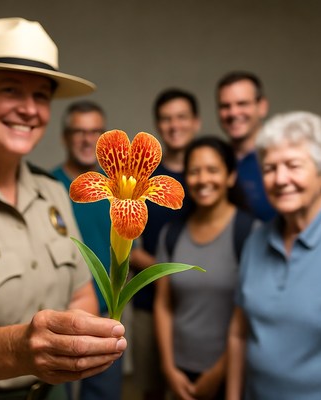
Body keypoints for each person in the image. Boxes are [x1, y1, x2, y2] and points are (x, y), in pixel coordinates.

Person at [0, 17, 127, 400]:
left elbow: (82, 294)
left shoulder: (54, 192)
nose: (29, 110)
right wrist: (21, 349)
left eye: (41, 96)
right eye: (10, 90)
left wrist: (80, 342)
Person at [227, 111, 321, 399]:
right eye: (269, 168)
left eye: (293, 166)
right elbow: (238, 332)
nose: (280, 179)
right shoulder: (256, 240)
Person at [154, 136, 256, 400]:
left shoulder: (250, 233)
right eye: (194, 171)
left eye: (213, 170)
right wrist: (168, 367)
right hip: (179, 369)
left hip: (232, 373)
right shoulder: (171, 234)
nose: (202, 179)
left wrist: (218, 373)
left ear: (230, 176)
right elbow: (163, 305)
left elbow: (249, 316)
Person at [129, 88, 201, 400]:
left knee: (197, 385)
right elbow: (126, 245)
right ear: (158, 126)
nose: (174, 125)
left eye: (182, 117)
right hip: (149, 300)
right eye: (166, 119)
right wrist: (168, 272)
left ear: (196, 122)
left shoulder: (206, 173)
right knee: (152, 386)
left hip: (199, 303)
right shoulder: (142, 174)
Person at [52, 101, 123, 400]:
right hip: (57, 312)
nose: (86, 139)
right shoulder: (47, 186)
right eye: (78, 131)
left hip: (107, 313)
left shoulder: (121, 187)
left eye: (95, 131)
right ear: (65, 137)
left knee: (104, 393)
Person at [216, 71, 276, 222]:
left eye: (242, 104)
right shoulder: (217, 161)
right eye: (225, 106)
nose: (233, 112)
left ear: (262, 106)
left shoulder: (281, 156)